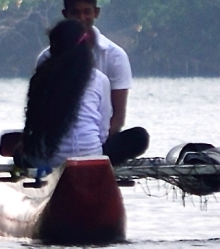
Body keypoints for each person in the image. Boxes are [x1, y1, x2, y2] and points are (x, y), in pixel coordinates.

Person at [21, 19, 149, 170]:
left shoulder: (41, 77)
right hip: (92, 157)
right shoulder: (100, 79)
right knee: (139, 137)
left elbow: (35, 124)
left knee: (20, 153)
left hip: (49, 160)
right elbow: (103, 132)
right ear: (85, 48)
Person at [35, 0, 133, 134]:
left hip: (99, 137)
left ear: (96, 12)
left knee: (138, 137)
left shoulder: (115, 56)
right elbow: (40, 108)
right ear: (65, 14)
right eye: (75, 13)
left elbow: (118, 116)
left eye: (87, 12)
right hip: (57, 136)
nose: (82, 18)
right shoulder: (47, 58)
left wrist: (98, 147)